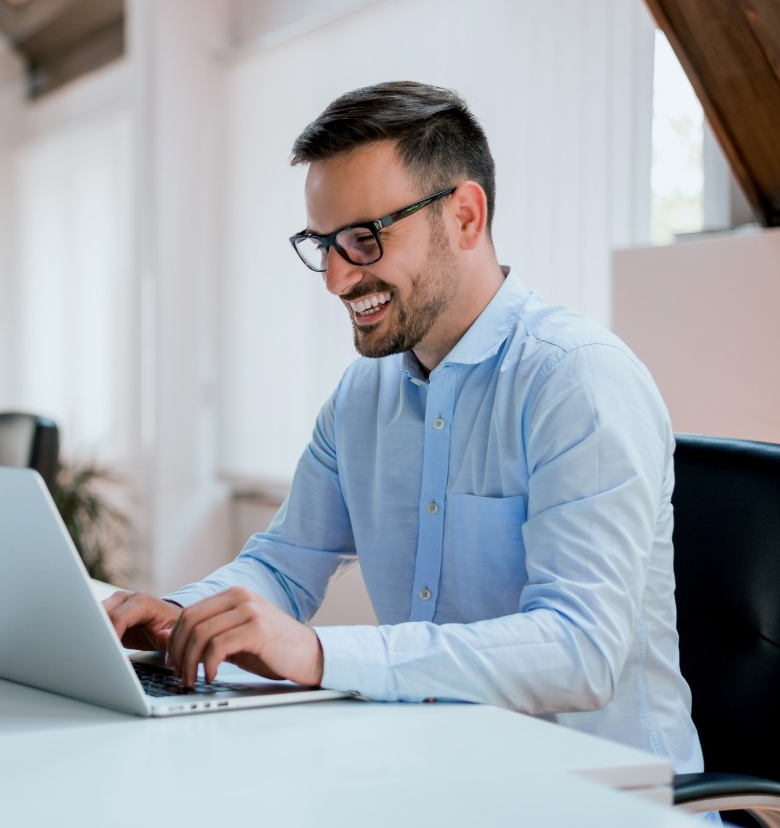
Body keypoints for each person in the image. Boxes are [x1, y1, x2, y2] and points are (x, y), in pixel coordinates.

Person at [105, 81, 704, 774]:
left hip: (598, 802)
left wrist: (320, 654)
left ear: (466, 218)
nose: (335, 280)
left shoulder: (578, 382)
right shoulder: (365, 393)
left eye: (363, 240)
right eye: (322, 243)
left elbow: (581, 651)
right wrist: (180, 615)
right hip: (437, 778)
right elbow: (283, 565)